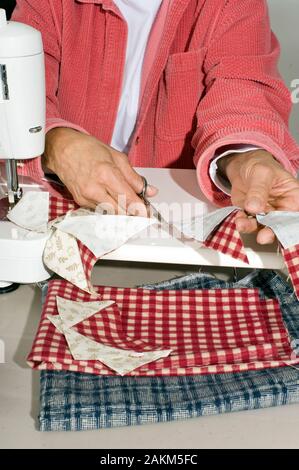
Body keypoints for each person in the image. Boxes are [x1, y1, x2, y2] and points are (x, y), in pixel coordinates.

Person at [12, 0, 299, 244]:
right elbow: (18, 94)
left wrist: (244, 158)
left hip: (179, 245)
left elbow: (243, 91)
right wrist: (58, 143)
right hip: (62, 227)